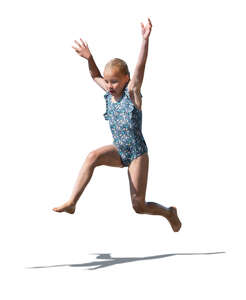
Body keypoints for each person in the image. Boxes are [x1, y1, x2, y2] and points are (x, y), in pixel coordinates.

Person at [53, 18, 182, 232]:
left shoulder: (131, 94)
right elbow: (95, 75)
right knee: (92, 156)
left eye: (114, 81)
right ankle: (72, 202)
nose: (109, 85)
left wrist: (145, 40)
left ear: (126, 80)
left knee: (138, 206)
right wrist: (89, 58)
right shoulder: (109, 92)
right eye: (108, 81)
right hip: (119, 149)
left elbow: (140, 69)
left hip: (137, 154)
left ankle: (169, 212)